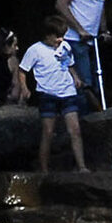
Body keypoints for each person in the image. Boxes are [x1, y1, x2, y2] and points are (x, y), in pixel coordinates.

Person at [16, 15, 87, 173]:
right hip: (47, 94)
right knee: (48, 132)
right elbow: (22, 70)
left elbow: (70, 64)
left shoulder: (66, 47)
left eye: (62, 36)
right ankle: (44, 169)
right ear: (48, 35)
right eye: (57, 36)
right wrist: (24, 88)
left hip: (67, 92)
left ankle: (82, 166)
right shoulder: (35, 50)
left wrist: (75, 78)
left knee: (75, 130)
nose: (60, 40)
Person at [55, 0, 112, 109]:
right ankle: (83, 119)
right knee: (84, 82)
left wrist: (104, 30)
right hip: (75, 38)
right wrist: (79, 29)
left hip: (92, 39)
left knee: (96, 80)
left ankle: (94, 118)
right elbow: (61, 3)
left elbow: (100, 4)